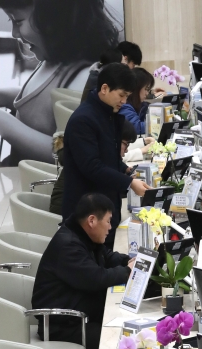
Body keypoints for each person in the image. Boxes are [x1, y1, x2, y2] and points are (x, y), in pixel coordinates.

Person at [0, 0, 120, 165]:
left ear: (55, 17)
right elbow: (42, 103)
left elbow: (70, 152)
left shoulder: (83, 78)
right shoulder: (55, 61)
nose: (14, 33)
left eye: (18, 21)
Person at [32, 193, 134, 349]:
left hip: (81, 315)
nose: (110, 227)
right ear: (92, 221)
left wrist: (128, 261)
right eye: (108, 221)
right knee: (116, 343)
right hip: (63, 325)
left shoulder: (82, 234)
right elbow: (96, 278)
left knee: (122, 326)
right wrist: (127, 271)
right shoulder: (68, 246)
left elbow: (106, 256)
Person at [62, 63, 151, 249]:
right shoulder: (84, 120)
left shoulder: (108, 114)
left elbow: (108, 155)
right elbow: (92, 166)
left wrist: (125, 170)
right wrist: (128, 183)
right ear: (104, 88)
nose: (124, 101)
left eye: (127, 96)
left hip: (104, 205)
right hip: (87, 212)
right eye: (121, 95)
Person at [49, 119, 140, 216]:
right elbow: (108, 190)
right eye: (126, 144)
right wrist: (129, 185)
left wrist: (125, 170)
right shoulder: (94, 163)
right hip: (67, 214)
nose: (126, 150)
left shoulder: (98, 153)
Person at [119, 67, 155, 134]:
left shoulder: (142, 105)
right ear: (137, 88)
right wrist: (160, 122)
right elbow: (137, 128)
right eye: (146, 89)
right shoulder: (124, 106)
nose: (147, 93)